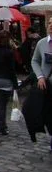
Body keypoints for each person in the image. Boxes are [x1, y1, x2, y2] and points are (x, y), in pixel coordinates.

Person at [25, 16, 52, 149]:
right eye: (50, 23)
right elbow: (35, 60)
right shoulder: (42, 43)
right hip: (46, 85)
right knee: (42, 112)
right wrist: (40, 76)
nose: (51, 25)